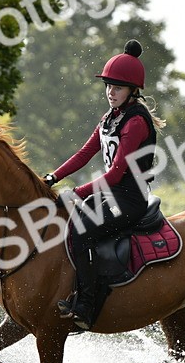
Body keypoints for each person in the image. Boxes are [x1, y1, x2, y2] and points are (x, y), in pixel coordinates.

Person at [43, 39, 164, 329]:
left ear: (133, 91)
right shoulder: (111, 117)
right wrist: (52, 177)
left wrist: (75, 193)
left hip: (129, 200)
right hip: (110, 196)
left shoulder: (135, 122)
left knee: (81, 233)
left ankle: (86, 304)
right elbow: (85, 153)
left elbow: (115, 174)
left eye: (117, 87)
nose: (111, 92)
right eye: (108, 86)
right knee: (65, 223)